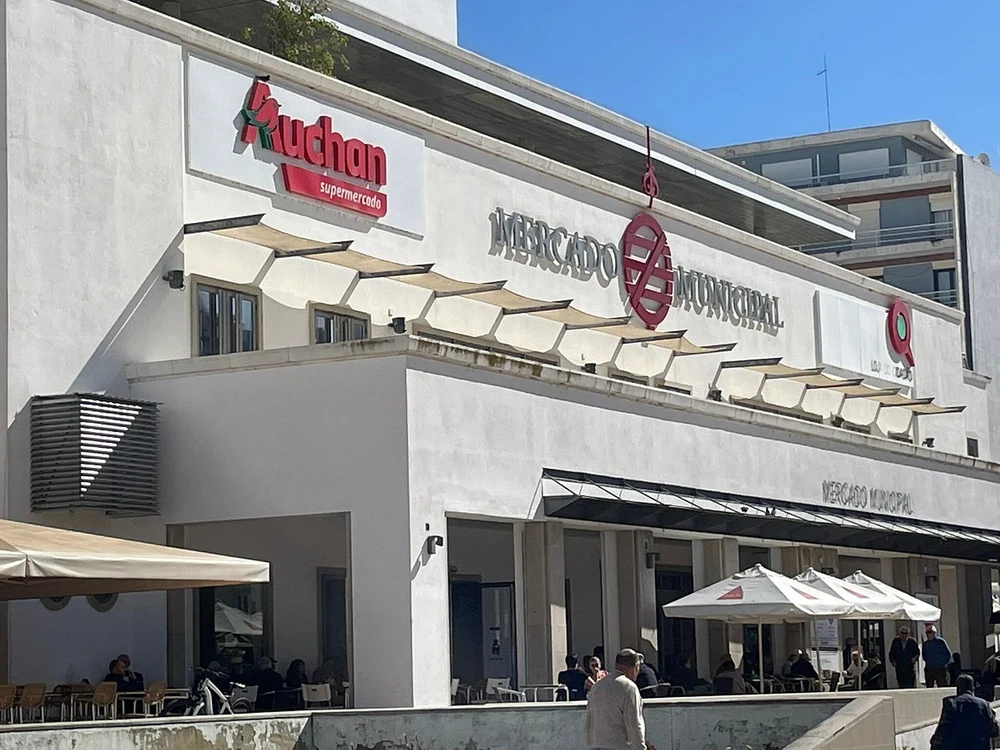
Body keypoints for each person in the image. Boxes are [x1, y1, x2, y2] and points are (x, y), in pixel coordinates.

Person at [584, 648, 656, 750]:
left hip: (596, 746)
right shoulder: (628, 687)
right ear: (635, 667)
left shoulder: (597, 686)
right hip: (619, 746)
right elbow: (634, 724)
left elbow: (589, 722)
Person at [929, 673, 999, 750]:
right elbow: (994, 731)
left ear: (958, 689)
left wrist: (934, 745)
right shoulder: (984, 705)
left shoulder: (951, 703)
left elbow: (942, 731)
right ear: (973, 688)